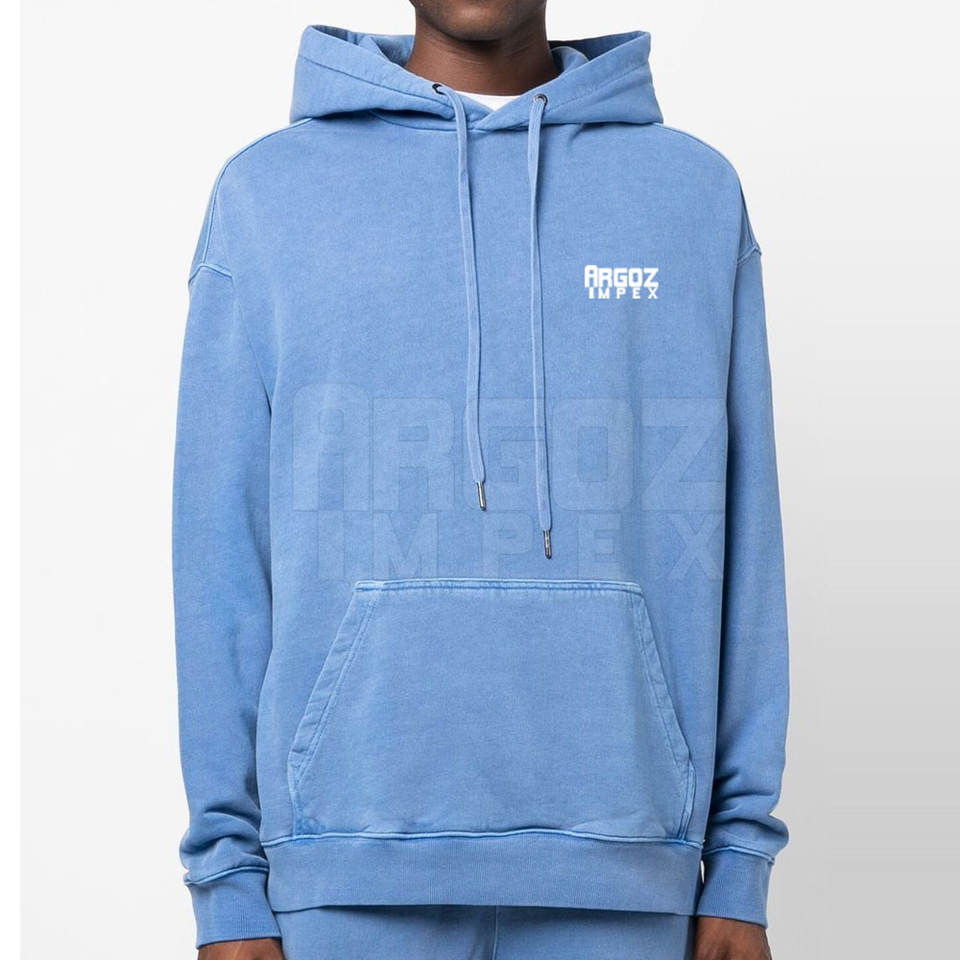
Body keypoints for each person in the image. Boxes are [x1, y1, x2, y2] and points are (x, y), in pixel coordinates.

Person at [173, 2, 789, 958]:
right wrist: (226, 884)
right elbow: (220, 547)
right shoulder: (267, 195)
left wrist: (741, 862)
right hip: (344, 874)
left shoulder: (691, 195)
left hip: (625, 872)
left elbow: (745, 537)